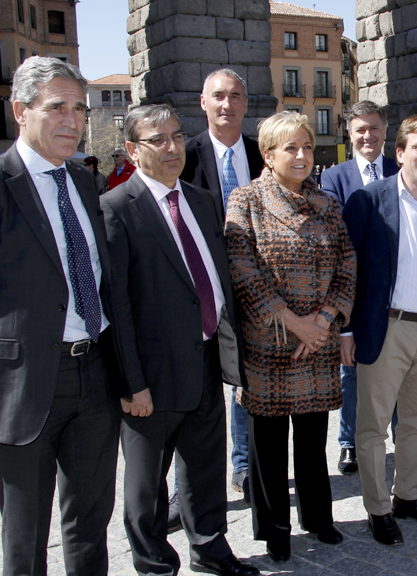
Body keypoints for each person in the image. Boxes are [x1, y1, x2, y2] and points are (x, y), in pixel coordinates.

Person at [0, 56, 121, 576]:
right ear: (20, 111)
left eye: (79, 109)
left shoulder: (84, 184)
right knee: (26, 533)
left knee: (90, 522)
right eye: (57, 107)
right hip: (22, 384)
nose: (73, 119)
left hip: (95, 376)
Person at [101, 104, 258, 576]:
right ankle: (154, 565)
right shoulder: (114, 209)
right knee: (147, 484)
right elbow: (117, 306)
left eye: (176, 136)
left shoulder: (202, 200)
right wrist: (132, 382)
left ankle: (210, 551)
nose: (172, 147)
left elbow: (215, 282)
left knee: (204, 470)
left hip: (205, 360)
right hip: (151, 373)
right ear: (133, 150)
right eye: (158, 140)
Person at [225, 111, 355, 562]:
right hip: (269, 344)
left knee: (313, 438)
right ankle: (275, 528)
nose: (302, 156)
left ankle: (319, 518)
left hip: (317, 342)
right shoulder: (246, 201)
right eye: (290, 148)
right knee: (268, 444)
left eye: (306, 147)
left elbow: (347, 262)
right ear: (267, 154)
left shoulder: (327, 203)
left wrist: (325, 318)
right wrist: (291, 320)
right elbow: (242, 270)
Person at [342, 114, 417, 546]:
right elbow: (349, 271)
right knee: (373, 426)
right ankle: (377, 508)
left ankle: (407, 496)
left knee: (416, 421)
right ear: (399, 153)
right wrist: (346, 331)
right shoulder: (367, 201)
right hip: (384, 328)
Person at [180, 68, 266, 514]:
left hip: (254, 294)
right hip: (199, 292)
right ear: (203, 102)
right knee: (194, 391)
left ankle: (244, 467)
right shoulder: (184, 156)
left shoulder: (262, 155)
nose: (227, 104)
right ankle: (188, 486)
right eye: (218, 96)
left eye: (235, 96)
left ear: (246, 105)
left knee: (245, 385)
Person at [320, 100, 399, 475]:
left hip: (399, 290)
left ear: (386, 131)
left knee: (400, 368)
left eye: (374, 128)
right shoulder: (334, 178)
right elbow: (337, 236)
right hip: (354, 290)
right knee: (350, 372)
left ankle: (405, 438)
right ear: (349, 135)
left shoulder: (403, 170)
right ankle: (349, 443)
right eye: (360, 130)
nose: (368, 136)